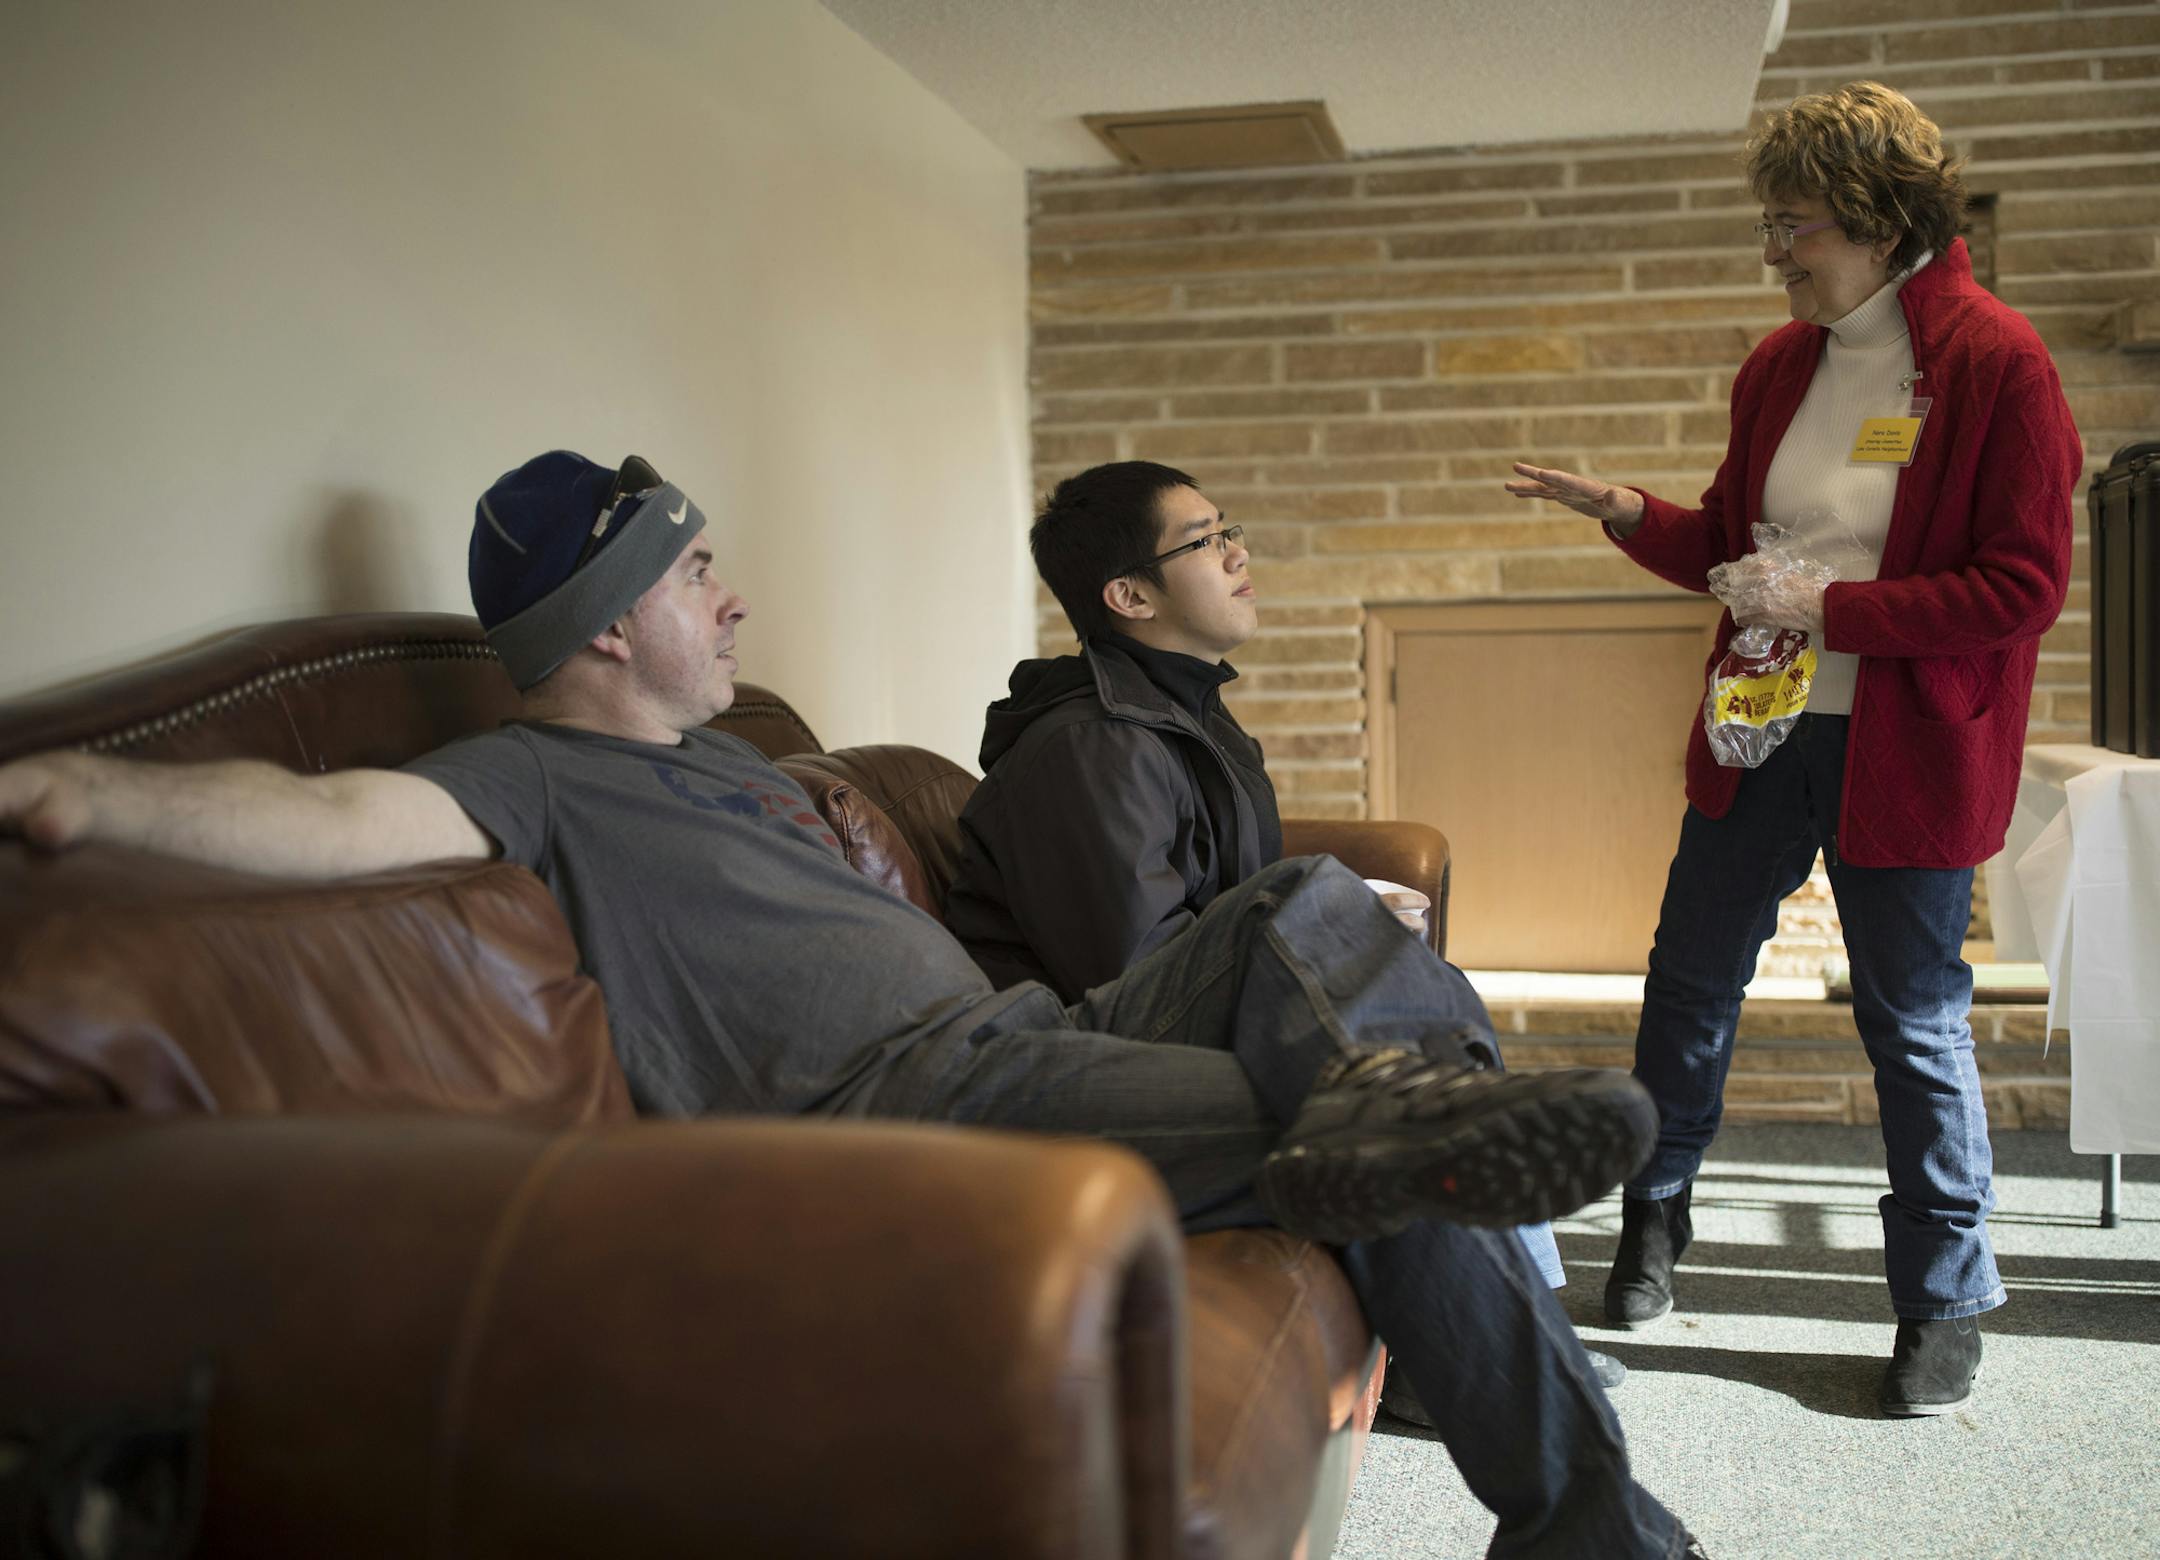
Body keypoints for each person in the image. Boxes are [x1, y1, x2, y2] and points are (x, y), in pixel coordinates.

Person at [1, 449, 1702, 1557]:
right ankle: (1587, 1518)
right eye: (695, 575)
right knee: (1355, 1129)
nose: (729, 596)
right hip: (921, 1105)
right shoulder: (522, 777)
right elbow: (317, 820)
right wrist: (84, 793)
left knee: (1303, 907)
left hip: (1025, 1035)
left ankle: (1396, 1104)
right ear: (602, 629)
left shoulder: (738, 762)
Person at [1505, 81, 2081, 1418]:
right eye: (1772, 229)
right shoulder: (1779, 366)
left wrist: (1840, 608)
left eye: (1797, 228)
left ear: (1881, 223)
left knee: (1915, 1025)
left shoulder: (1999, 365)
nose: (1779, 254)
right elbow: (1734, 543)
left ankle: (1942, 1297)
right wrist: (1629, 513)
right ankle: (1656, 1221)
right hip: (1758, 730)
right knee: (1688, 986)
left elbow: (2022, 586)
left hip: (1912, 749)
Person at [946, 457, 1625, 1396]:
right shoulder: (1093, 748)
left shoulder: (1187, 716)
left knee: (1409, 987)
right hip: (1089, 1053)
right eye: (1205, 541)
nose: (1237, 554)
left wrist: (1344, 918)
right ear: (1129, 595)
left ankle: (1516, 1316)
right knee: (1369, 987)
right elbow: (1135, 969)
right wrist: (1318, 913)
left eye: (1230, 529)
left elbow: (1221, 909)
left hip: (1166, 1008)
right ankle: (1488, 1338)